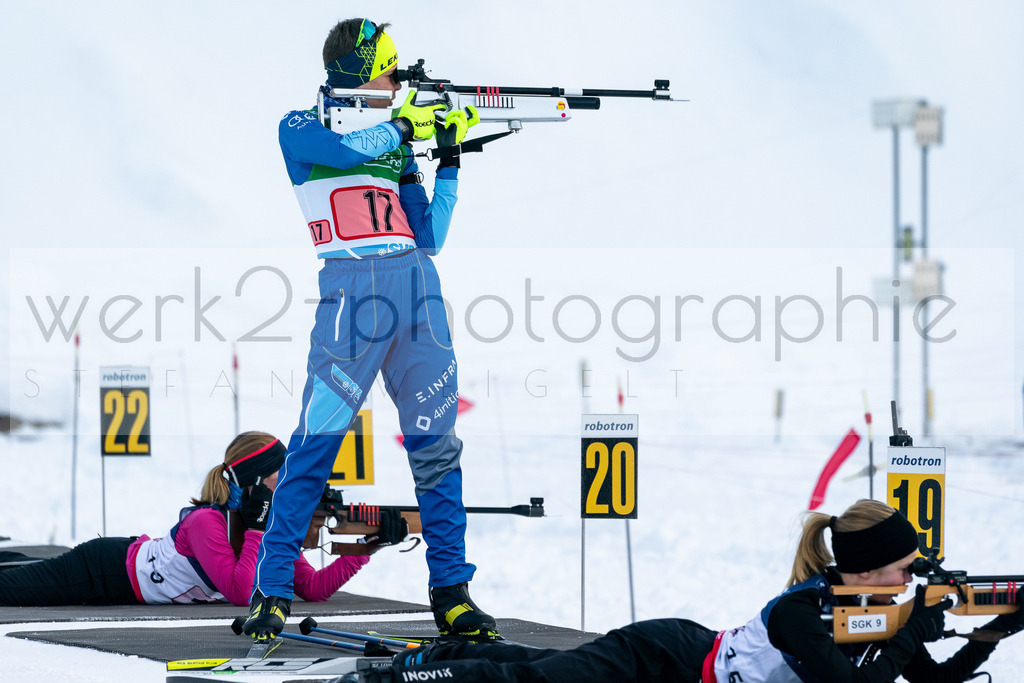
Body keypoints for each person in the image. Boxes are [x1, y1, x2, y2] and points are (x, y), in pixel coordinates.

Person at [242, 17, 493, 642]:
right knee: (315, 444)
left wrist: (451, 159)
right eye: (387, 68)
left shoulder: (393, 140)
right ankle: (271, 590)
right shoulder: (300, 128)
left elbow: (429, 235)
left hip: (417, 295)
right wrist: (407, 125)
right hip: (352, 298)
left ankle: (452, 592)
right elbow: (347, 151)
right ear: (357, 73)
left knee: (437, 448)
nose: (397, 78)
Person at [345, 500, 1024, 683]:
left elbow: (927, 679)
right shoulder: (801, 611)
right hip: (667, 654)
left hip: (682, 664)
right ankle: (417, 672)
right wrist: (912, 632)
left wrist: (993, 632)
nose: (914, 580)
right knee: (540, 682)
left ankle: (427, 658)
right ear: (868, 570)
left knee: (538, 668)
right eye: (907, 567)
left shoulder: (878, 613)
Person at [0, 431, 402, 606]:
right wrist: (261, 528)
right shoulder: (207, 522)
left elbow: (312, 588)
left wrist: (369, 545)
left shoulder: (261, 526)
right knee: (10, 591)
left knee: (22, 573)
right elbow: (240, 592)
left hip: (124, 580)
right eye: (281, 476)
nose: (291, 484)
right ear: (254, 482)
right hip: (104, 570)